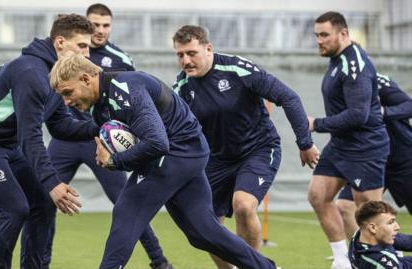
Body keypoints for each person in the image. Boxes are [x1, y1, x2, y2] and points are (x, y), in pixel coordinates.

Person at [49, 54, 280, 269]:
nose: (67, 102)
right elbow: (139, 149)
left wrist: (114, 161)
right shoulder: (102, 108)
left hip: (176, 153)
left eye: (68, 93)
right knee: (204, 233)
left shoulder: (125, 88)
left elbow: (158, 143)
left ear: (86, 78)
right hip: (189, 153)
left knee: (126, 210)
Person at [0, 14, 94, 269]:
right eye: (82, 45)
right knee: (15, 210)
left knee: (43, 204)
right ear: (60, 42)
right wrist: (52, 182)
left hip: (6, 147)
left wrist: (103, 128)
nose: (88, 53)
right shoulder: (31, 73)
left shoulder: (56, 76)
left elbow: (61, 126)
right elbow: (31, 137)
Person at [171, 25, 320, 268]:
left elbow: (288, 97)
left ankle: (254, 266)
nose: (186, 61)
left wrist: (305, 142)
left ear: (208, 49)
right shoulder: (181, 88)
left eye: (191, 53)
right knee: (206, 224)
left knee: (243, 205)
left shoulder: (237, 69)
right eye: (180, 55)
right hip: (215, 160)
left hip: (258, 149)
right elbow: (173, 132)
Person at [44, 4, 172, 269]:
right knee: (44, 198)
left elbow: (136, 103)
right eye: (95, 26)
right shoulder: (62, 54)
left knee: (127, 203)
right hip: (65, 142)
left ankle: (159, 261)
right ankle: (39, 263)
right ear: (85, 27)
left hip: (106, 140)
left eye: (106, 25)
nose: (100, 31)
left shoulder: (121, 59)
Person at [308, 11, 390, 269]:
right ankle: (344, 259)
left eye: (324, 35)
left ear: (343, 34)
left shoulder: (354, 65)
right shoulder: (336, 59)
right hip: (341, 145)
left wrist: (316, 124)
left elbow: (358, 115)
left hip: (366, 148)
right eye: (317, 35)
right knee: (318, 195)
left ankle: (382, 263)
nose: (319, 40)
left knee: (371, 219)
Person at [336, 74, 412, 239]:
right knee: (345, 205)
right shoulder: (336, 85)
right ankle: (361, 257)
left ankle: (391, 252)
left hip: (403, 160)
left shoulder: (377, 80)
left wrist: (383, 112)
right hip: (370, 160)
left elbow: (409, 105)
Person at [349, 201, 412, 268]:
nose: (397, 227)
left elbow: (406, 241)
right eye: (390, 222)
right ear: (373, 228)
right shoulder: (380, 262)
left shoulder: (360, 235)